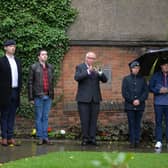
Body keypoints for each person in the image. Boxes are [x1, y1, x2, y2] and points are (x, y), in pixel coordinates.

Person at [74, 51, 108, 146]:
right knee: (84, 120)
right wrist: (88, 71)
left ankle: (92, 139)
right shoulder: (80, 67)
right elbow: (77, 77)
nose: (92, 60)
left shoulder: (97, 67)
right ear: (86, 58)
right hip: (83, 99)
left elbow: (105, 80)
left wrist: (100, 72)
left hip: (95, 98)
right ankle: (85, 139)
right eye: (90, 58)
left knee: (94, 120)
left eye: (93, 58)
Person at [28, 49, 54, 145]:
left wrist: (52, 94)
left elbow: (52, 81)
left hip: (48, 95)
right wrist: (31, 98)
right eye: (43, 54)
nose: (45, 56)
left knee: (45, 117)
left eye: (46, 54)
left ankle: (45, 137)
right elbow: (30, 82)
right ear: (39, 56)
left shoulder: (50, 67)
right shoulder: (34, 67)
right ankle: (39, 137)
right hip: (38, 96)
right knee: (39, 116)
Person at [0, 39, 22, 146]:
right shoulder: (1, 61)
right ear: (5, 48)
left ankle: (10, 137)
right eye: (10, 46)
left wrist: (19, 91)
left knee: (12, 115)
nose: (13, 48)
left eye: (14, 46)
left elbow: (20, 77)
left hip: (15, 91)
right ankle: (3, 137)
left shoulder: (17, 61)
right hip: (4, 92)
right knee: (4, 115)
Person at [122, 61, 148, 148]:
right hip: (130, 106)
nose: (136, 69)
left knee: (138, 124)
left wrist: (139, 100)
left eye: (137, 68)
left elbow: (145, 92)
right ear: (131, 69)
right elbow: (124, 92)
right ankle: (132, 141)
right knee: (131, 124)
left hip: (140, 106)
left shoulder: (143, 79)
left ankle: (137, 140)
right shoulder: (126, 79)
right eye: (134, 68)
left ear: (139, 69)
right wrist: (132, 100)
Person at [149, 59, 168, 149]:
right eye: (164, 65)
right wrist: (159, 90)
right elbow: (150, 88)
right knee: (159, 122)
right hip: (158, 103)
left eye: (167, 65)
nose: (166, 67)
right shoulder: (155, 76)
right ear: (161, 66)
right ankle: (159, 141)